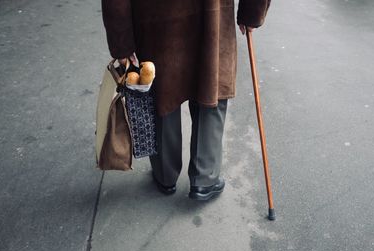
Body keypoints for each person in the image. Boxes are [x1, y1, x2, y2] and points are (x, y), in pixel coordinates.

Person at [102, 0, 271, 200]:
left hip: (155, 19)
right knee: (211, 84)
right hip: (212, 14)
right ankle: (205, 178)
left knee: (163, 89)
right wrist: (253, 11)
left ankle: (165, 174)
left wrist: (121, 40)